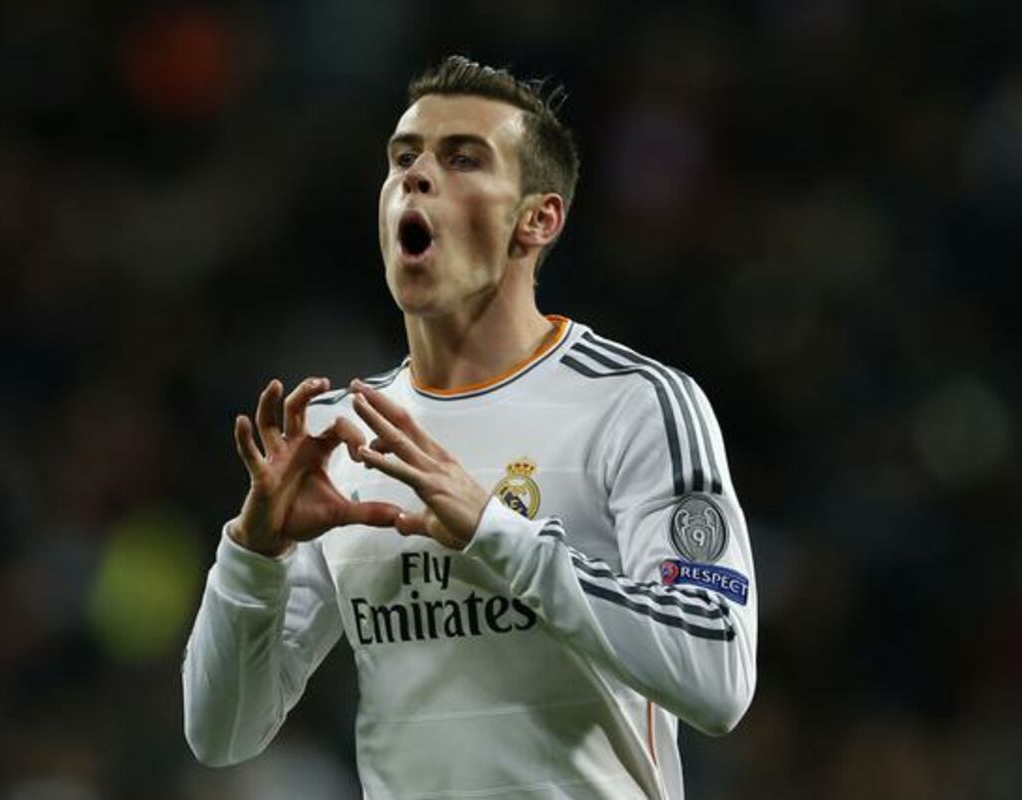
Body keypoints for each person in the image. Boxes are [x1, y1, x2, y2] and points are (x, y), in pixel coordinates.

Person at [183, 56, 757, 800]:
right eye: (404, 158)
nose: (417, 176)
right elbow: (222, 734)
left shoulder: (634, 405)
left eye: (462, 159)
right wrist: (255, 555)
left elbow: (717, 672)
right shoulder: (337, 438)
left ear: (538, 219)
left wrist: (495, 532)